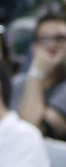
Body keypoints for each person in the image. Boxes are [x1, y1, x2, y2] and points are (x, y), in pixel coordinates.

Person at [19, 10, 66, 138]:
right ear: (34, 48)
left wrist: (36, 73)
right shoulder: (17, 83)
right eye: (45, 40)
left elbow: (32, 132)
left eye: (60, 39)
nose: (52, 46)